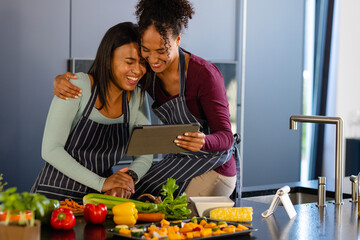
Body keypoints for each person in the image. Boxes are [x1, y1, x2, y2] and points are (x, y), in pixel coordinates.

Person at [53, 0, 240, 200]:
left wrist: (204, 141)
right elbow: (110, 78)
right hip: (180, 160)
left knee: (170, 219)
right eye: (146, 50)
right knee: (136, 193)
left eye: (161, 51)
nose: (152, 60)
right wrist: (61, 81)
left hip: (214, 167)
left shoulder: (204, 75)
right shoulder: (146, 72)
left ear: (177, 40)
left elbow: (226, 137)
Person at [31, 22, 153, 202]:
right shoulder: (77, 86)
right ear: (108, 58)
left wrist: (128, 179)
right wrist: (101, 183)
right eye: (129, 62)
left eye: (142, 63)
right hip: (54, 196)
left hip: (99, 201)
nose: (137, 70)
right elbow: (50, 150)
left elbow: (145, 153)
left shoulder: (136, 97)